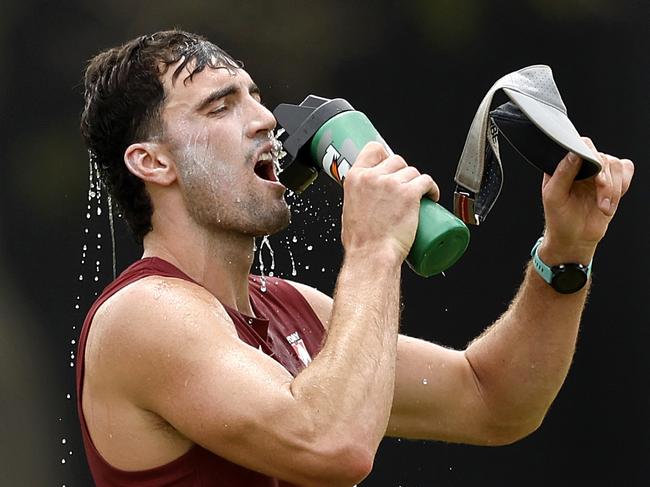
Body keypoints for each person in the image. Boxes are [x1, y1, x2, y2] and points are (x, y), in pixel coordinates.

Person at [76, 29, 634, 487]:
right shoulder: (144, 314)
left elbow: (494, 400)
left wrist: (566, 252)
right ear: (152, 163)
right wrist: (372, 248)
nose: (265, 119)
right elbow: (331, 445)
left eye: (254, 95)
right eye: (221, 106)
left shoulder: (292, 309)